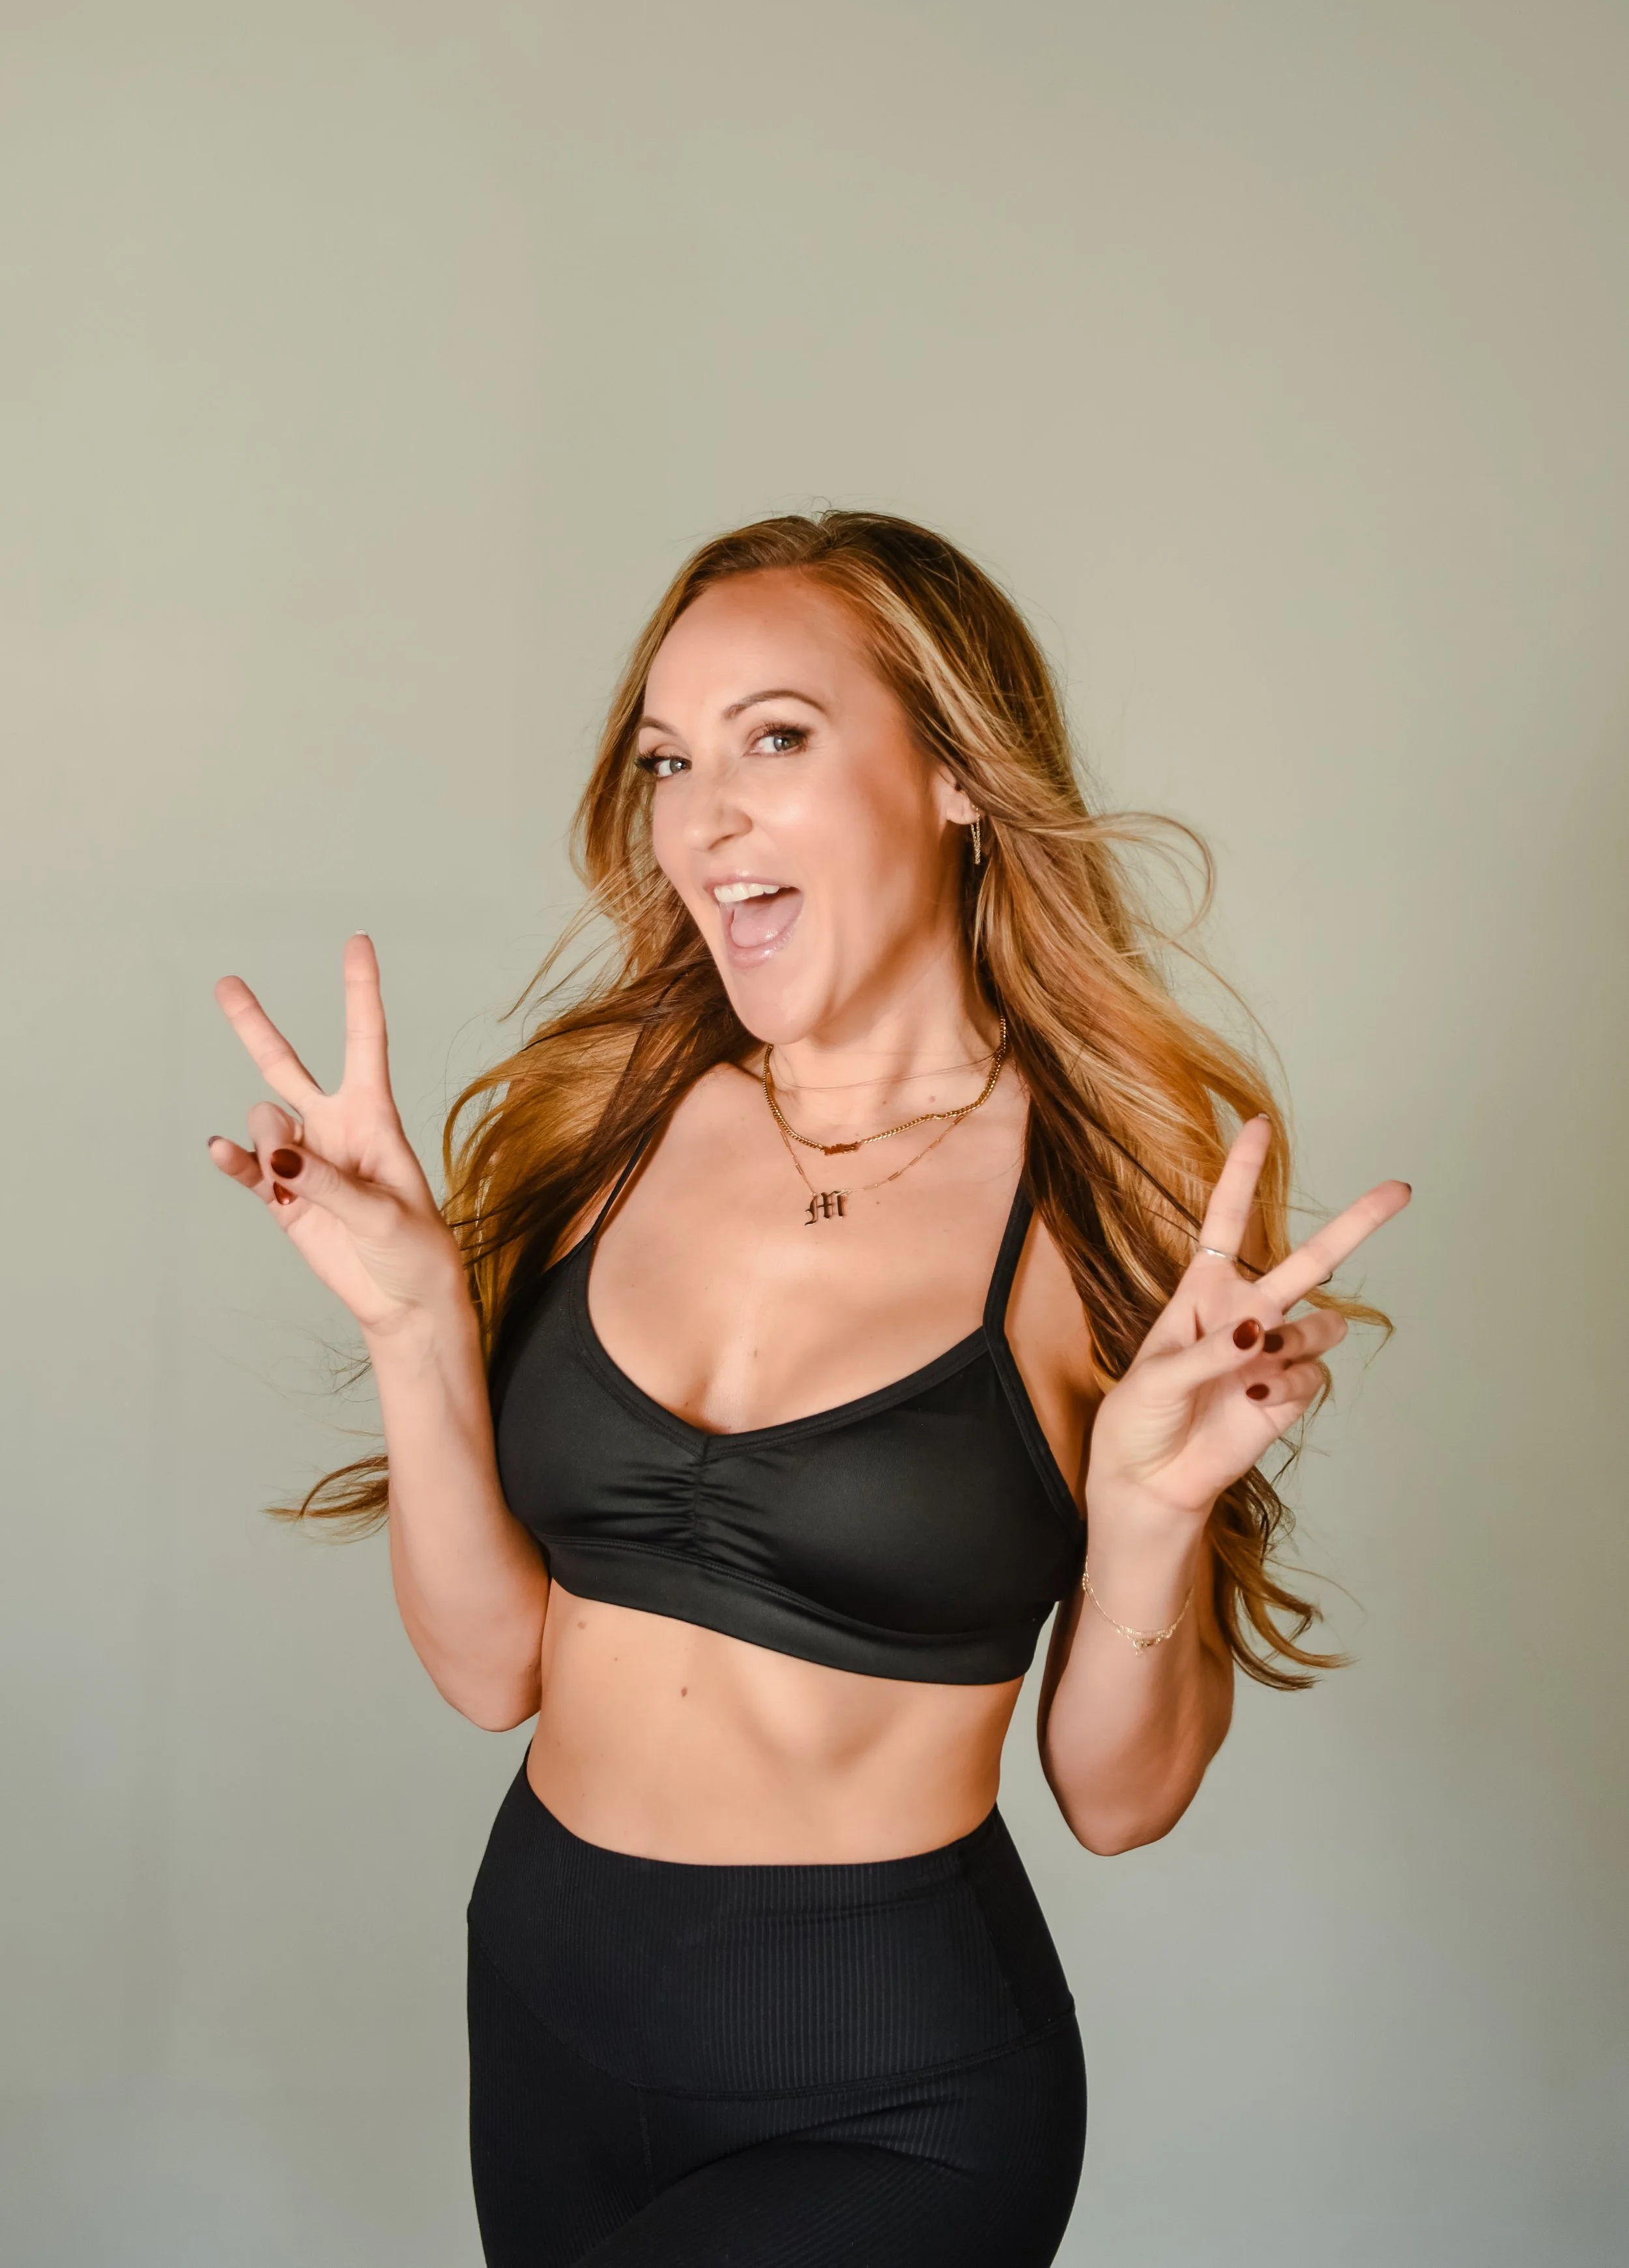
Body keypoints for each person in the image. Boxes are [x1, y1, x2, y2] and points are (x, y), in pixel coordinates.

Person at [208, 510, 1408, 2267]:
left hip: (888, 2084)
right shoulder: (601, 1116)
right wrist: (412, 1326)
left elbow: (1119, 1799)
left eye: (776, 736)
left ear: (954, 776)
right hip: (544, 2004)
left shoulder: (1102, 1205)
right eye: (667, 760)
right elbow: (492, 1674)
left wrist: (1148, 1518)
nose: (702, 815)